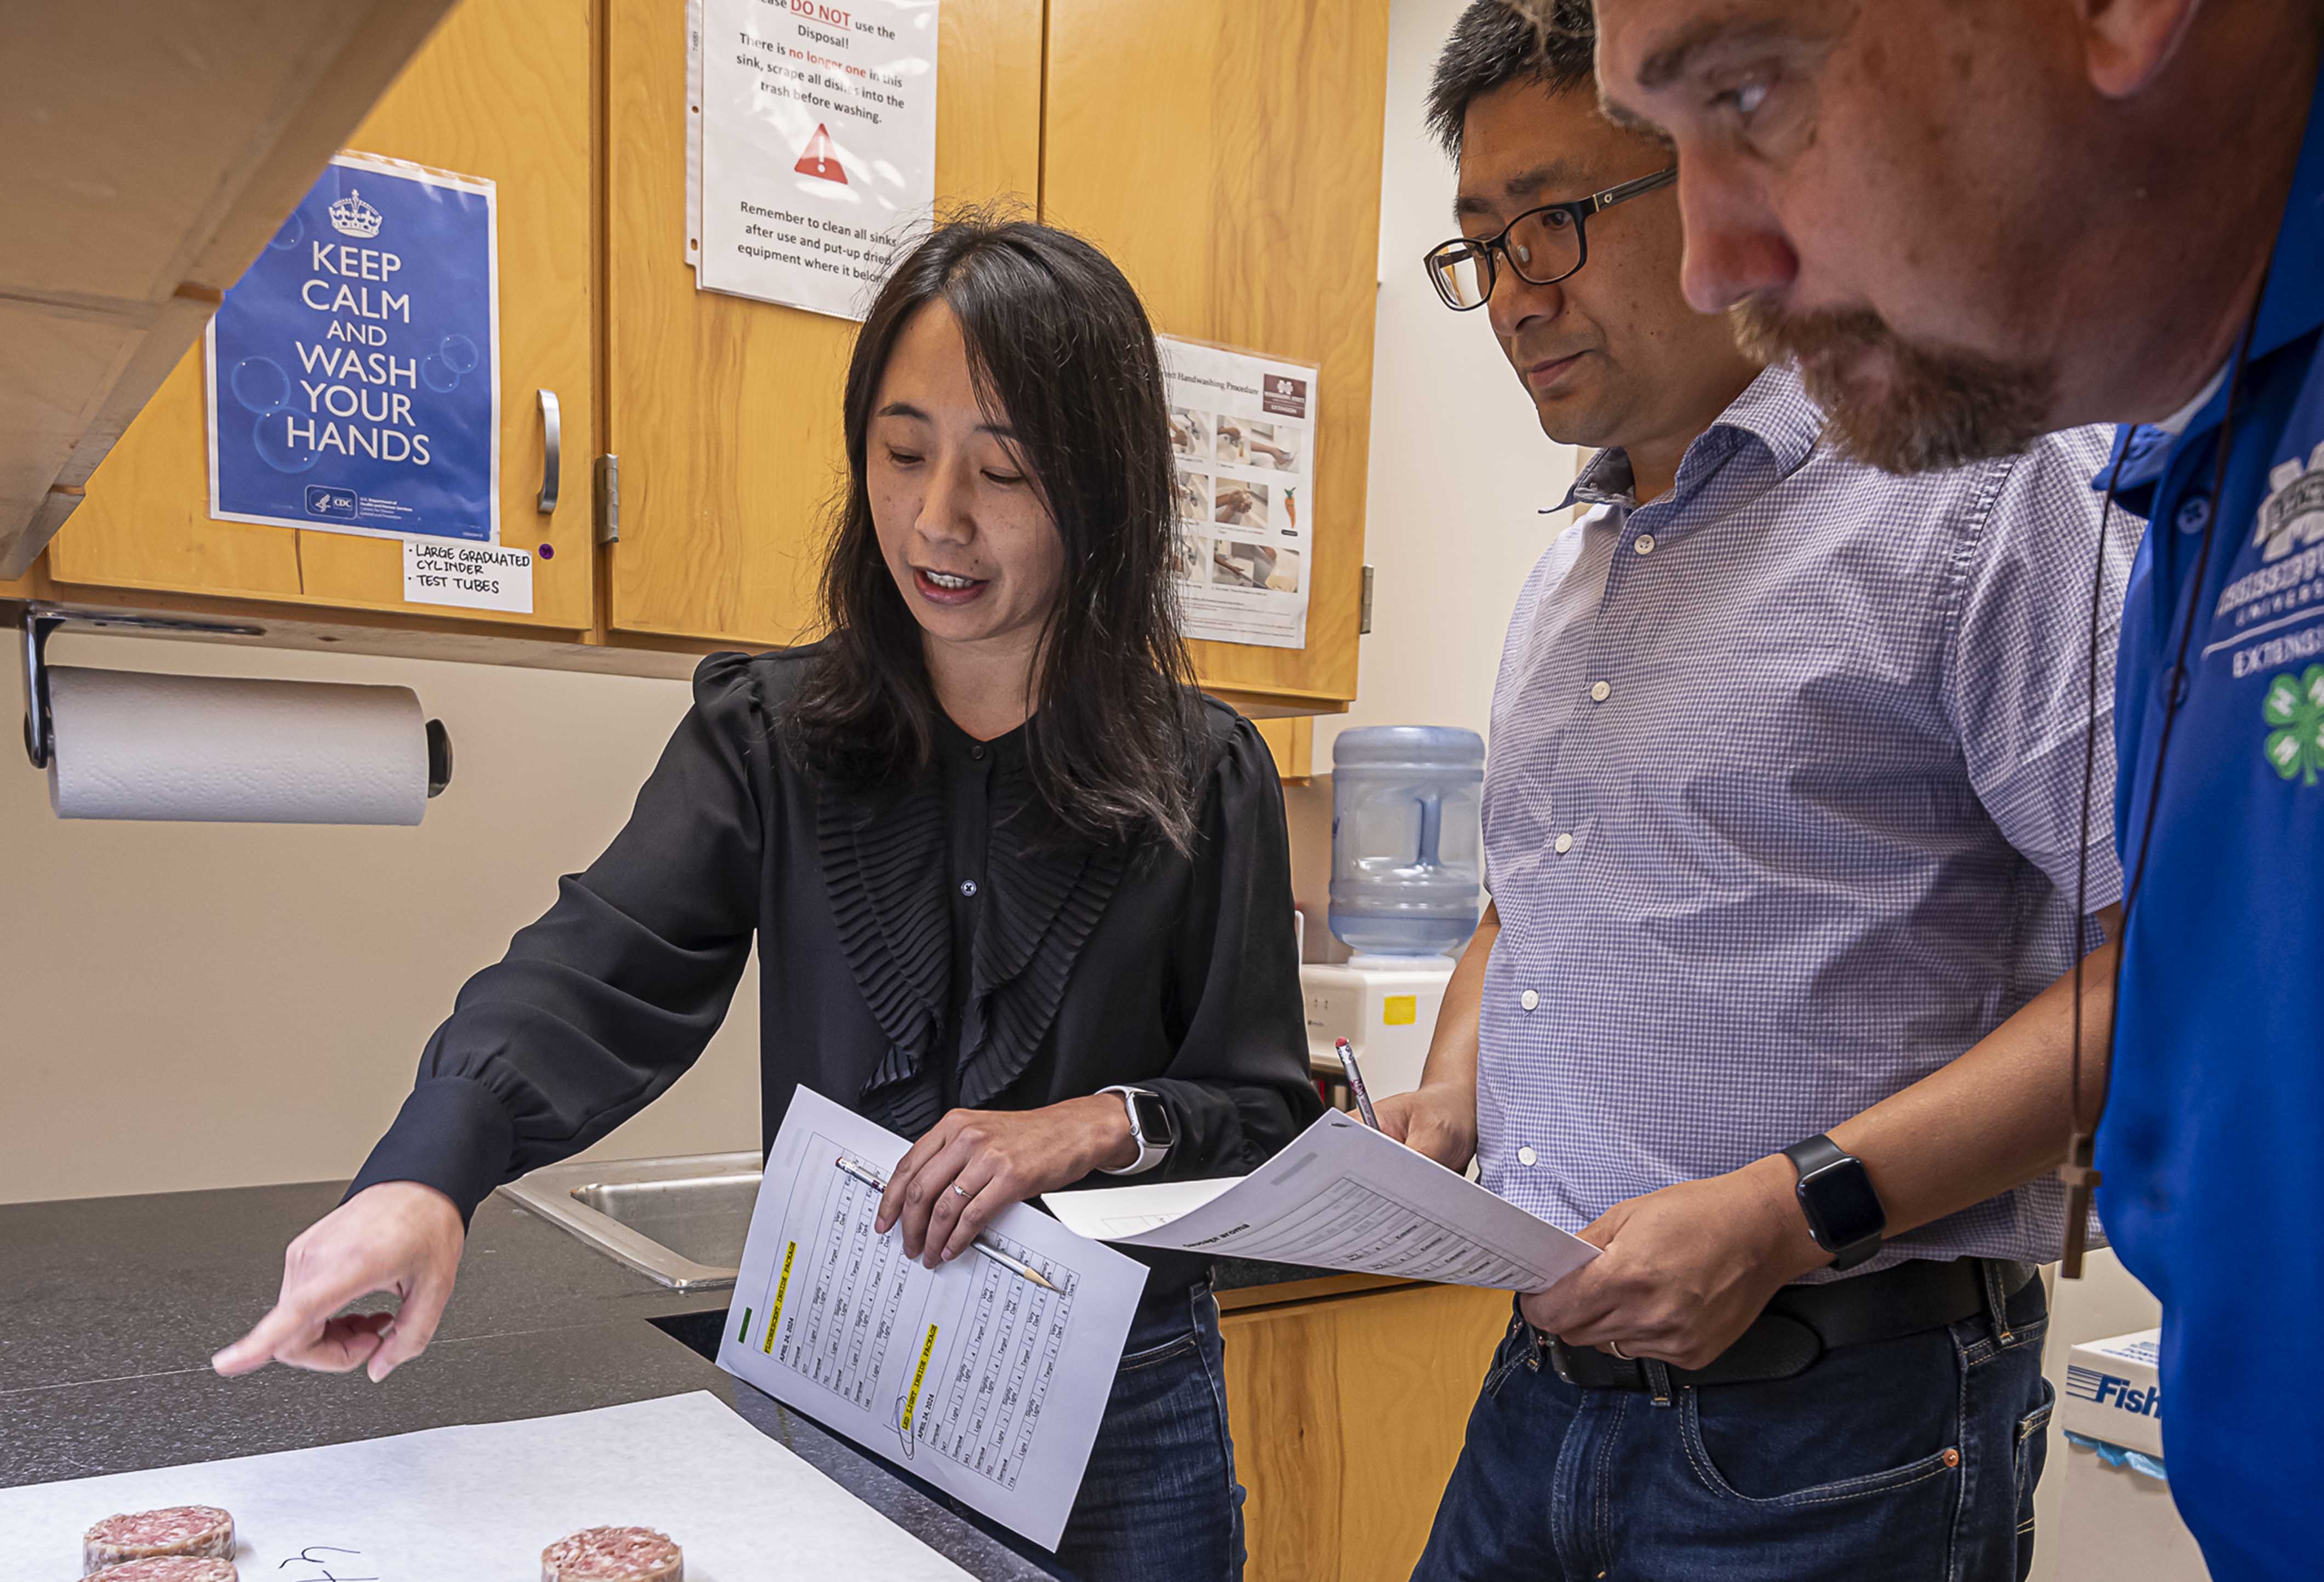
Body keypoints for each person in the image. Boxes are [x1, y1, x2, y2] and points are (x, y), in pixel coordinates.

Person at [211, 216, 1320, 1582]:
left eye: (1007, 470)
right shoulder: (771, 733)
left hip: (1116, 1407)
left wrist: (1090, 1126)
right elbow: (598, 960)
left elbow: (1264, 1113)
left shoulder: (1204, 772)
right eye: (904, 452)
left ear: (1103, 487)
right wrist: (429, 1175)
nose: (938, 518)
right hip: (846, 1366)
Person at [1376, 7, 2140, 1579]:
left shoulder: (1967, 495)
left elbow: (2169, 957)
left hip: (1840, 1421)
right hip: (1540, 1402)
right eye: (1483, 249)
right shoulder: (1567, 583)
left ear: (1726, 182)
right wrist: (1450, 1096)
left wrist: (1792, 1211)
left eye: (1558, 223)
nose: (1518, 296)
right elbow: (1534, 896)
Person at [1586, 1, 2324, 1575]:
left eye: (1750, 91)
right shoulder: (2196, 461)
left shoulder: (2022, 516)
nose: (1707, 261)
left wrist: (1810, 1201)